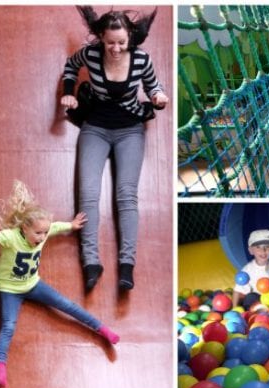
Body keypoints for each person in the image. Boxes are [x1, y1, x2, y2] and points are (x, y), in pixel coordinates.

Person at [0, 180, 119, 388]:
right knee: (8, 325)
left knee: (66, 305)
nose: (43, 237)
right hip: (8, 289)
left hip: (33, 284)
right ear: (25, 228)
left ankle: (102, 329)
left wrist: (71, 225)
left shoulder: (42, 232)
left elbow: (55, 227)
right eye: (38, 233)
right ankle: (0, 365)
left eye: (45, 232)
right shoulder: (10, 237)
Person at [60, 6, 169, 292]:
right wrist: (69, 94)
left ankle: (126, 266)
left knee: (126, 196)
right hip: (95, 127)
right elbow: (71, 67)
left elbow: (153, 87)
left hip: (130, 130)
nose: (116, 49)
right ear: (101, 38)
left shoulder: (142, 59)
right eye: (110, 43)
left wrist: (158, 97)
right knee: (88, 194)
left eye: (122, 43)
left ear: (130, 39)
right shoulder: (91, 55)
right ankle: (91, 263)